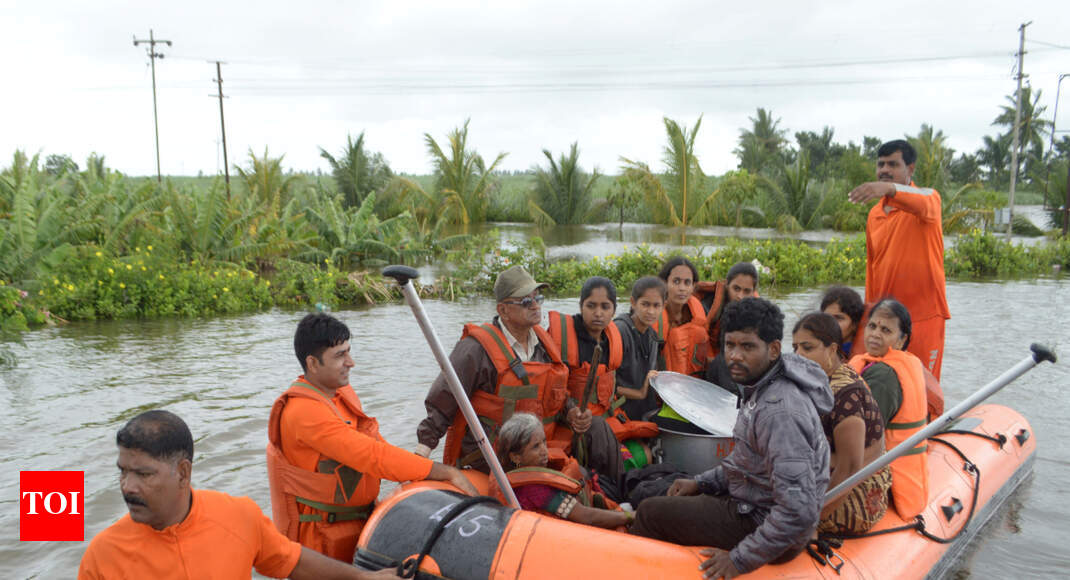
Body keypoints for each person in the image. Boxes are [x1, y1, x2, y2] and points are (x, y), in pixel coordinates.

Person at [630, 298, 833, 578]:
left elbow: (799, 511)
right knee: (655, 487)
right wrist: (701, 482)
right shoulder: (760, 386)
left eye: (747, 347)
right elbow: (747, 461)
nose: (735, 356)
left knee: (649, 513)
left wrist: (738, 560)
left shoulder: (779, 412)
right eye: (730, 345)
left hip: (763, 522)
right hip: (755, 500)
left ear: (774, 349)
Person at [79, 410, 396, 579]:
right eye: (123, 471)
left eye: (143, 474)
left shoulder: (237, 516)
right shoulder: (104, 555)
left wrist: (361, 579)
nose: (127, 486)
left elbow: (291, 561)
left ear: (183, 472)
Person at [268, 313, 477, 563]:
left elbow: (379, 446)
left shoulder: (340, 394)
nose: (351, 362)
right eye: (339, 356)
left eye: (348, 351)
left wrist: (416, 471)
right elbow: (371, 456)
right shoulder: (303, 413)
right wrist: (445, 472)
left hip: (358, 522)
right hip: (321, 539)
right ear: (312, 364)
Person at [416, 266, 619, 480]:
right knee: (571, 480)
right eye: (524, 301)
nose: (534, 306)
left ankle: (621, 498)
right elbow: (444, 400)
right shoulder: (475, 350)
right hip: (497, 455)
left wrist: (571, 412)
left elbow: (555, 396)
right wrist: (422, 452)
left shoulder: (545, 345)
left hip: (537, 448)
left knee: (597, 429)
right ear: (503, 310)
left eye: (536, 298)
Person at [849, 139, 950, 379]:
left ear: (910, 169)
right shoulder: (874, 214)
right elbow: (872, 270)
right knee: (876, 378)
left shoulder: (928, 201)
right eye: (881, 164)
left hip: (923, 317)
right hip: (885, 319)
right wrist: (869, 319)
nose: (884, 170)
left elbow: (925, 198)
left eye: (893, 164)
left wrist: (889, 189)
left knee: (923, 385)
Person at [792, 313, 890, 535]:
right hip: (824, 471)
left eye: (807, 348)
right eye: (795, 348)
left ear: (832, 349)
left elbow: (849, 470)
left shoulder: (845, 395)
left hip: (855, 490)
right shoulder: (817, 380)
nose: (798, 355)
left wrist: (811, 521)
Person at [547, 277, 655, 448]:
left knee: (644, 454)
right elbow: (552, 391)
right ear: (581, 306)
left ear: (613, 310)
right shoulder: (563, 338)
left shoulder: (613, 339)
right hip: (574, 424)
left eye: (605, 307)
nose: (598, 313)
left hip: (607, 417)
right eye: (591, 306)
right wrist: (570, 413)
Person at [847, 298, 929, 519]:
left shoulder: (884, 375)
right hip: (905, 474)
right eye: (872, 326)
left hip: (889, 479)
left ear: (902, 340)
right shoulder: (902, 363)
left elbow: (862, 437)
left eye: (886, 330)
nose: (875, 334)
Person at [488, 413, 632, 530]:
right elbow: (585, 517)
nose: (544, 451)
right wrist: (630, 516)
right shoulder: (534, 489)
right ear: (516, 457)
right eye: (535, 447)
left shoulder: (514, 476)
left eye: (544, 442)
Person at [613, 276, 667, 421]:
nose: (651, 311)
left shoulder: (653, 336)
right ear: (633, 302)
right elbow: (606, 386)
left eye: (656, 306)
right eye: (645, 304)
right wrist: (641, 393)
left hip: (645, 412)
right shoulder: (619, 331)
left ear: (663, 306)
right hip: (620, 413)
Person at [698, 261, 759, 360]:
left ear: (753, 292)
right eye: (736, 289)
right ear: (727, 285)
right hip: (711, 357)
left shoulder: (760, 312)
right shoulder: (707, 306)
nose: (740, 296)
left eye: (746, 291)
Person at [658, 256, 708, 377]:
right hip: (660, 384)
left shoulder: (699, 313)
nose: (682, 288)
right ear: (664, 283)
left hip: (691, 385)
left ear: (693, 287)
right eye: (676, 281)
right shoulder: (652, 315)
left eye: (687, 283)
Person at [820, 285, 867, 359]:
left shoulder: (859, 355)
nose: (830, 323)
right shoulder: (817, 349)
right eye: (826, 317)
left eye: (839, 318)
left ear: (854, 324)